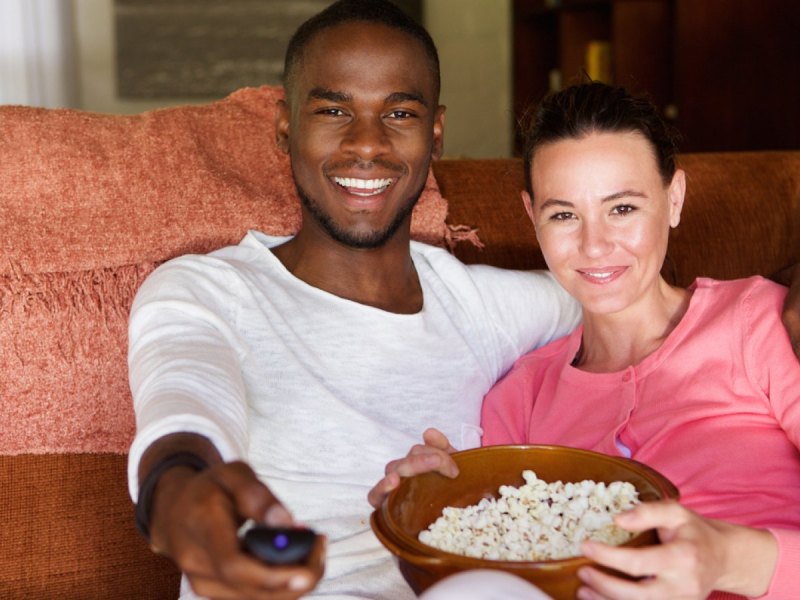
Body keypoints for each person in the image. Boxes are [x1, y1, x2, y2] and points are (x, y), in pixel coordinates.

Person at [126, 1, 584, 599]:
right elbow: (185, 408)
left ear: (435, 133)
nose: (366, 144)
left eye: (399, 113)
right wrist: (182, 494)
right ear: (285, 124)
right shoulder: (207, 291)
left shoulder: (481, 304)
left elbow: (625, 301)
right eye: (334, 110)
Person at [370, 82, 800, 599]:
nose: (594, 245)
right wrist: (426, 500)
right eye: (564, 215)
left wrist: (728, 561)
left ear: (674, 199)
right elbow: (505, 558)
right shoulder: (520, 398)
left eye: (622, 209)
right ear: (533, 218)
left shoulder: (757, 322)